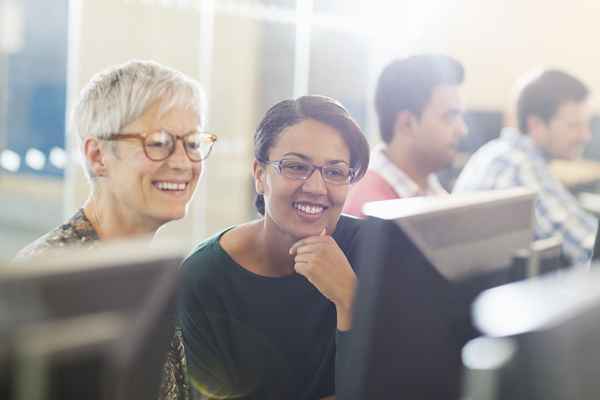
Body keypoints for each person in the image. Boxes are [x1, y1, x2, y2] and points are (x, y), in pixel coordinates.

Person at [14, 60, 217, 400]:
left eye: (193, 143)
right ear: (98, 156)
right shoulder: (57, 280)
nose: (184, 162)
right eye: (159, 142)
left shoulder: (145, 270)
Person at [178, 95, 370, 399]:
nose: (317, 188)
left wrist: (350, 300)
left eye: (335, 172)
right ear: (259, 175)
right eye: (295, 167)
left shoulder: (371, 251)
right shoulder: (204, 278)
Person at [454, 69, 597, 265]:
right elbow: (586, 245)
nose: (585, 136)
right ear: (536, 124)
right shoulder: (516, 165)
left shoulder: (500, 152)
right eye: (574, 125)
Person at [343, 54, 467, 217]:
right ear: (407, 124)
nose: (463, 130)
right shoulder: (368, 212)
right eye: (450, 117)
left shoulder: (429, 189)